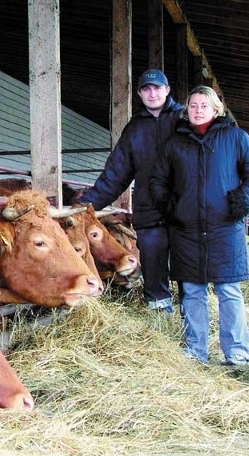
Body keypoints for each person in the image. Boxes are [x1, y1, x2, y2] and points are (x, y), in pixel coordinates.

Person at [149, 85, 249, 365]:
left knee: (228, 291)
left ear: (216, 109)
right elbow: (157, 180)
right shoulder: (175, 143)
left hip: (225, 227)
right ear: (186, 110)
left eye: (204, 105)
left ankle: (237, 352)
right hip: (186, 230)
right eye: (192, 105)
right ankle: (196, 351)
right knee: (192, 291)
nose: (197, 110)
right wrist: (170, 206)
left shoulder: (236, 137)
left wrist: (241, 202)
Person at [77, 68, 183, 314]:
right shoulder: (135, 129)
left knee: (186, 263)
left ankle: (191, 317)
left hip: (183, 209)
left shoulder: (184, 120)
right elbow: (116, 173)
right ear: (139, 94)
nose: (152, 93)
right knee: (153, 263)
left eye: (157, 88)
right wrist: (88, 203)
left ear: (167, 90)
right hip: (150, 209)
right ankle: (160, 319)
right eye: (146, 89)